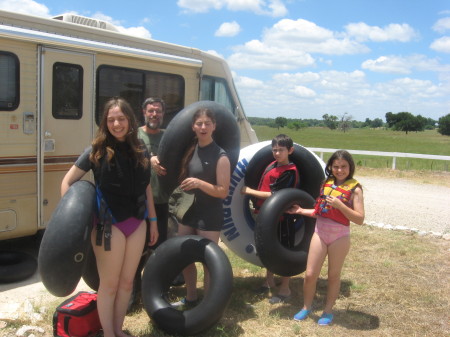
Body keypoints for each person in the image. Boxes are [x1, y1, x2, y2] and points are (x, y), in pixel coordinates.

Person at [61, 97, 159, 337]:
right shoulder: (95, 151)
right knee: (110, 285)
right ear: (105, 122)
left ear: (130, 121)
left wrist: (153, 221)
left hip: (137, 222)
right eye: (111, 119)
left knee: (127, 283)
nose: (117, 124)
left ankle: (117, 329)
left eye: (121, 119)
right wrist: (73, 222)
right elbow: (67, 182)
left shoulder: (141, 149)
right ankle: (108, 334)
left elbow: (146, 187)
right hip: (108, 224)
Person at [287, 150, 364, 326]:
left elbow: (359, 219)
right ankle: (306, 307)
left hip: (340, 236)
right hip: (320, 233)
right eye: (336, 166)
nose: (339, 170)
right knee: (310, 274)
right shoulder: (326, 184)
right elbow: (319, 212)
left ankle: (328, 311)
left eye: (343, 166)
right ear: (330, 167)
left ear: (350, 167)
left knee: (333, 276)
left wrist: (340, 205)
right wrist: (300, 211)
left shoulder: (356, 189)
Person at [171, 107, 231, 307]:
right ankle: (190, 297)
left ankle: (208, 303)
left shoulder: (221, 156)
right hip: (189, 212)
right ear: (193, 127)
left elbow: (223, 191)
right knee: (185, 257)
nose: (203, 127)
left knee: (208, 261)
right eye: (199, 123)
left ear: (214, 126)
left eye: (207, 123)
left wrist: (199, 183)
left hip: (209, 214)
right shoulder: (191, 149)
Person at [241, 134, 299, 304]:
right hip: (265, 216)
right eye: (274, 150)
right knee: (267, 250)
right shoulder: (272, 165)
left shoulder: (289, 172)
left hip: (282, 218)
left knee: (283, 251)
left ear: (290, 150)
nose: (277, 153)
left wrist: (249, 191)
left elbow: (275, 196)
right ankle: (269, 281)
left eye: (281, 150)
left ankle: (285, 289)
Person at [138, 97, 169, 249]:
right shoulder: (134, 135)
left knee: (159, 246)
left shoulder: (168, 136)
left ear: (163, 114)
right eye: (151, 110)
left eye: (158, 111)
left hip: (162, 201)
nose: (154, 114)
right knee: (139, 247)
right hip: (139, 202)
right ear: (144, 112)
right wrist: (149, 159)